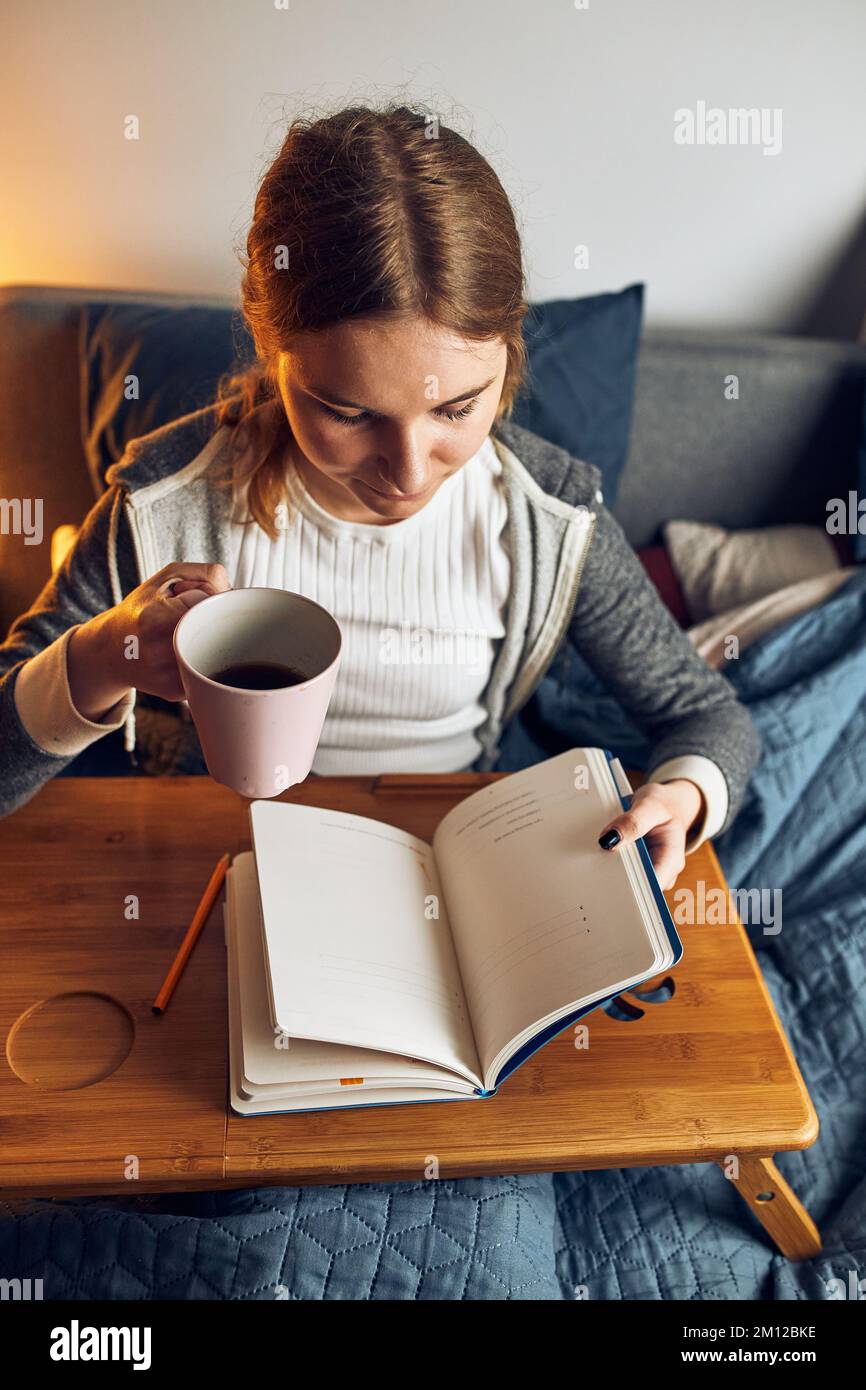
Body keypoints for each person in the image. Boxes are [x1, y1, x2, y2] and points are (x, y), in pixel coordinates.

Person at [0, 103, 759, 890]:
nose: (408, 472)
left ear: (510, 352)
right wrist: (97, 658)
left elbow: (708, 717)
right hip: (227, 861)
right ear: (273, 349)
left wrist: (685, 792)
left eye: (456, 409)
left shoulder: (550, 516)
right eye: (348, 412)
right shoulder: (165, 503)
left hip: (461, 868)